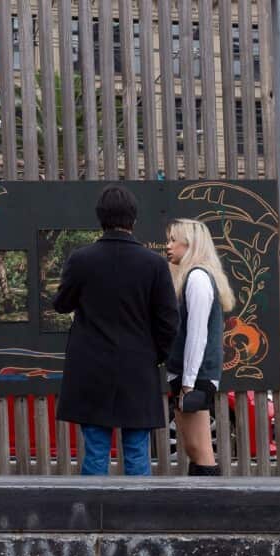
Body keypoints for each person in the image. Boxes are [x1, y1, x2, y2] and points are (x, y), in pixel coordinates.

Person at [54, 185, 178, 475]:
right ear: (133, 220)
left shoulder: (81, 259)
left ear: (100, 218)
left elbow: (61, 304)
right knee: (137, 451)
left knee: (95, 452)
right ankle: (138, 516)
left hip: (91, 366)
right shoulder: (155, 264)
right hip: (138, 367)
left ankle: (95, 517)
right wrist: (155, 354)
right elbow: (169, 321)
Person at [164, 219, 234, 477]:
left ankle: (211, 505)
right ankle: (202, 500)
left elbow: (197, 334)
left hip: (195, 375)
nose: (168, 245)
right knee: (193, 447)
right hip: (190, 374)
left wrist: (189, 382)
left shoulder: (197, 278)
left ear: (190, 244)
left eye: (173, 239)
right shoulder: (194, 276)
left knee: (200, 447)